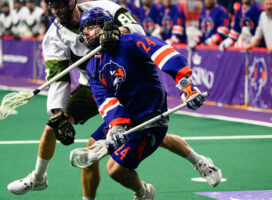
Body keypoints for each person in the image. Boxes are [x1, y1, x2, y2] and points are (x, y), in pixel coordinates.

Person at [6, 0, 222, 199]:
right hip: (94, 82)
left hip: (136, 84)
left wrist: (186, 84)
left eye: (62, 4)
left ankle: (198, 162)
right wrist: (61, 114)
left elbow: (151, 42)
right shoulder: (66, 46)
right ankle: (40, 178)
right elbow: (62, 80)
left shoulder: (106, 9)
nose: (58, 10)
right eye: (53, 6)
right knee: (71, 138)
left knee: (150, 129)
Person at [79, 7, 221, 199]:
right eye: (83, 29)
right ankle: (199, 160)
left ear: (105, 26)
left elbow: (163, 52)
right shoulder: (92, 64)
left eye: (90, 27)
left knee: (114, 170)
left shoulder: (129, 41)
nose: (85, 32)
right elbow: (104, 99)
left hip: (150, 113)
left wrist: (185, 86)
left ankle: (144, 193)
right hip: (127, 114)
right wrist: (116, 126)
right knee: (90, 150)